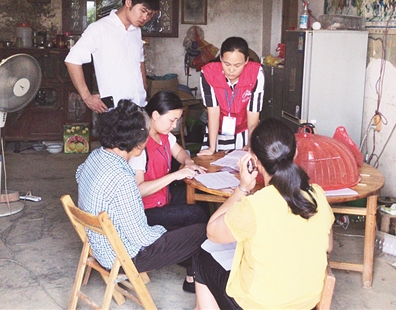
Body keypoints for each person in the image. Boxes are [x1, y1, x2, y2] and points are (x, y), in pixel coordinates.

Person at [193, 118, 334, 309]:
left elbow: (212, 232)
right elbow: (328, 246)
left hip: (258, 304)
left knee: (202, 257)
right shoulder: (317, 195)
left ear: (255, 160)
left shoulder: (255, 206)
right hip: (307, 301)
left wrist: (242, 188)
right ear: (296, 152)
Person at [76, 99, 206, 293]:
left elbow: (79, 175)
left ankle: (193, 276)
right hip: (123, 256)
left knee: (183, 226)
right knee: (204, 231)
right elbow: (142, 237)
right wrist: (165, 231)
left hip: (99, 245)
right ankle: (202, 286)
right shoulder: (123, 178)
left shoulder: (95, 157)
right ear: (139, 143)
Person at [65, 0, 160, 112]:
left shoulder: (136, 31)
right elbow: (72, 60)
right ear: (128, 2)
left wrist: (143, 88)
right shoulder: (100, 28)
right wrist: (87, 97)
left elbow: (140, 62)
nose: (145, 17)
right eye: (143, 11)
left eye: (149, 14)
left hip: (140, 107)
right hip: (116, 112)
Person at [129, 90, 209, 230]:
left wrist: (188, 162)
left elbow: (179, 152)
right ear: (155, 115)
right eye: (172, 120)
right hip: (146, 211)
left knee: (200, 193)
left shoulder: (164, 135)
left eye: (177, 120)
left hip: (164, 197)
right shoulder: (140, 144)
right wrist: (175, 175)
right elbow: (138, 190)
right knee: (195, 214)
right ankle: (196, 245)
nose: (174, 126)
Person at [198, 36, 265, 156]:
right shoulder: (208, 73)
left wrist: (250, 144)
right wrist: (212, 148)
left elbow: (253, 113)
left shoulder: (256, 73)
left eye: (237, 65)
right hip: (216, 129)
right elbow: (213, 112)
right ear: (220, 59)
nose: (231, 70)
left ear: (246, 61)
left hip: (244, 130)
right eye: (227, 64)